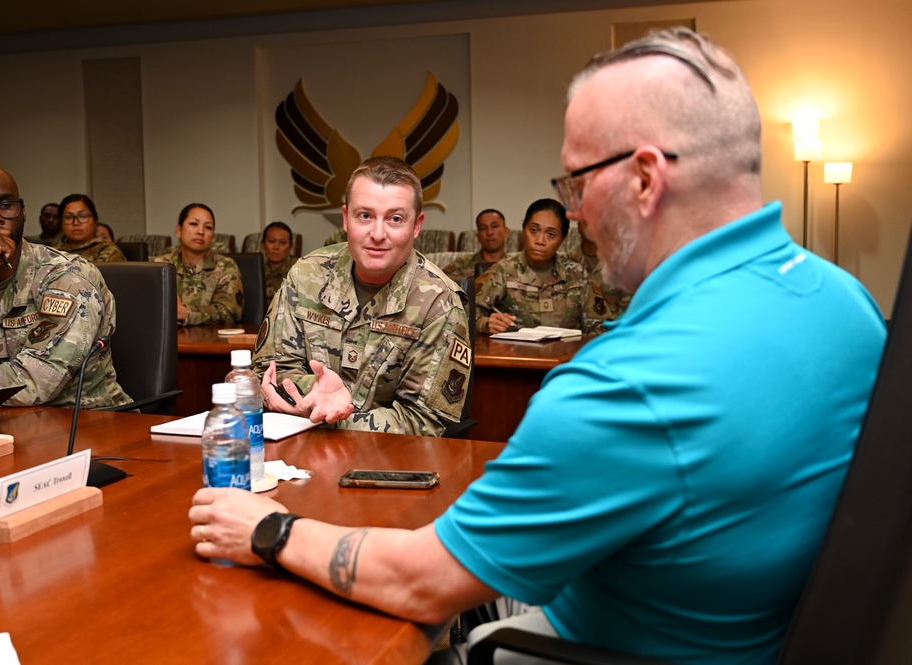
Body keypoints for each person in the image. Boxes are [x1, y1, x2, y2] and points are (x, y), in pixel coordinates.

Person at [187, 29, 886, 665]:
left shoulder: (622, 384)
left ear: (643, 178)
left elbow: (421, 580)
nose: (571, 211)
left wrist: (271, 529)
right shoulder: (846, 302)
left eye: (575, 182)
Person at [253, 155, 471, 436]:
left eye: (395, 219)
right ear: (346, 219)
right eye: (365, 216)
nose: (377, 234)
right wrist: (315, 395)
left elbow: (424, 422)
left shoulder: (438, 303)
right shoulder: (307, 275)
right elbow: (269, 370)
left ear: (416, 226)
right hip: (297, 447)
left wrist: (337, 416)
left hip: (387, 464)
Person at [0, 164, 132, 408]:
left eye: (6, 206)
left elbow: (38, 379)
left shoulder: (68, 276)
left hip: (88, 424)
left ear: (23, 212)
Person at [475, 198, 601, 335]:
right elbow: (465, 310)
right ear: (524, 230)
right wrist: (486, 323)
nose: (540, 241)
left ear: (563, 239)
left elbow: (600, 326)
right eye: (534, 230)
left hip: (568, 354)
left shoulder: (577, 274)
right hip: (515, 353)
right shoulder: (503, 270)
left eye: (551, 234)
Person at [152, 203, 244, 326]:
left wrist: (187, 313)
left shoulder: (225, 267)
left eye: (208, 227)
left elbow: (229, 313)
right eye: (194, 224)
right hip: (166, 338)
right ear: (179, 230)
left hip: (209, 340)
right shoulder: (160, 266)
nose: (200, 231)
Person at [52, 194, 126, 262]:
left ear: (95, 221)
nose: (76, 223)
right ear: (61, 222)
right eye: (68, 217)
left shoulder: (108, 251)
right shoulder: (51, 253)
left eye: (83, 216)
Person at [442, 209, 510, 282]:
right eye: (483, 228)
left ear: (506, 231)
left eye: (494, 226)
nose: (490, 232)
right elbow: (441, 282)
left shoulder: (515, 265)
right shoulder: (462, 263)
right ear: (478, 236)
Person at [260, 221, 298, 309]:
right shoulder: (256, 270)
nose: (276, 247)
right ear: (263, 244)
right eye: (271, 241)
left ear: (290, 247)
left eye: (283, 243)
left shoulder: (299, 269)